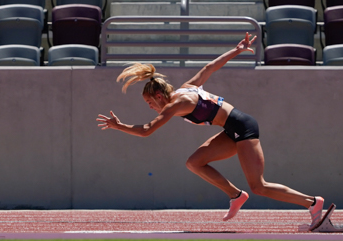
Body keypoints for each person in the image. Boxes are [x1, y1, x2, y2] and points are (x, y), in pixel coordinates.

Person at [97, 33, 325, 229]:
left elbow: (147, 130)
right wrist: (237, 50)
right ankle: (236, 195)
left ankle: (313, 203)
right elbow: (209, 68)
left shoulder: (174, 104)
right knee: (194, 162)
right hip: (231, 129)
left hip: (243, 128)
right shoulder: (185, 88)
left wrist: (119, 126)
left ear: (158, 96)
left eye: (149, 102)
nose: (150, 107)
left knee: (259, 186)